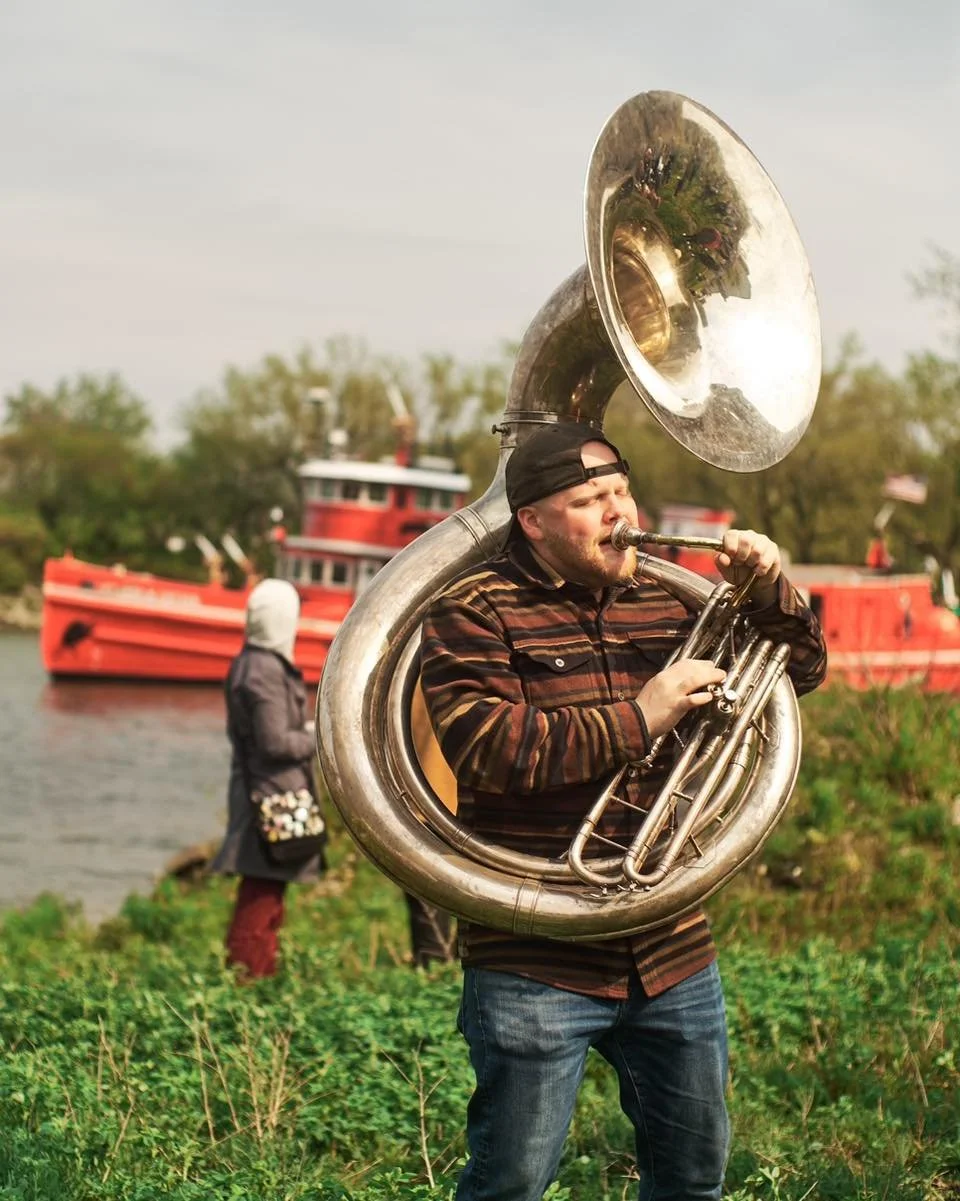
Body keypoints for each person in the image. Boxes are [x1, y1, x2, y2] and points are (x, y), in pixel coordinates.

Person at [419, 421, 827, 1201]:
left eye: (619, 491)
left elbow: (802, 668)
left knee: (693, 1180)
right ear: (532, 521)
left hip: (670, 948)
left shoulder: (669, 596)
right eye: (588, 500)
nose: (617, 511)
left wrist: (772, 586)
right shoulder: (472, 609)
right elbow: (491, 749)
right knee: (511, 1183)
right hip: (535, 957)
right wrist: (641, 717)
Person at [209, 578, 324, 979]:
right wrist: (318, 736)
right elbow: (275, 743)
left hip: (265, 796)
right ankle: (247, 983)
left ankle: (255, 978)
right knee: (260, 901)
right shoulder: (263, 671)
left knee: (267, 897)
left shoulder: (252, 663)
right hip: (269, 800)